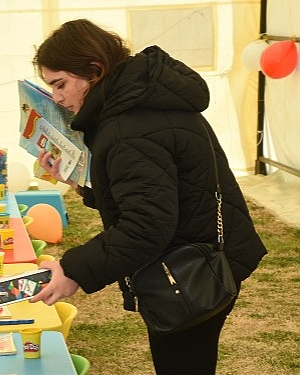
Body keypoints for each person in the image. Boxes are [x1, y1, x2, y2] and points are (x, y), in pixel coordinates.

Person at [28, 19, 267, 375]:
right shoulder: (143, 99)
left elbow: (146, 225)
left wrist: (73, 270)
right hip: (201, 255)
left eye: (60, 85)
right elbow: (155, 193)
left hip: (190, 269)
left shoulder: (129, 127)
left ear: (94, 71)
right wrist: (80, 185)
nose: (57, 98)